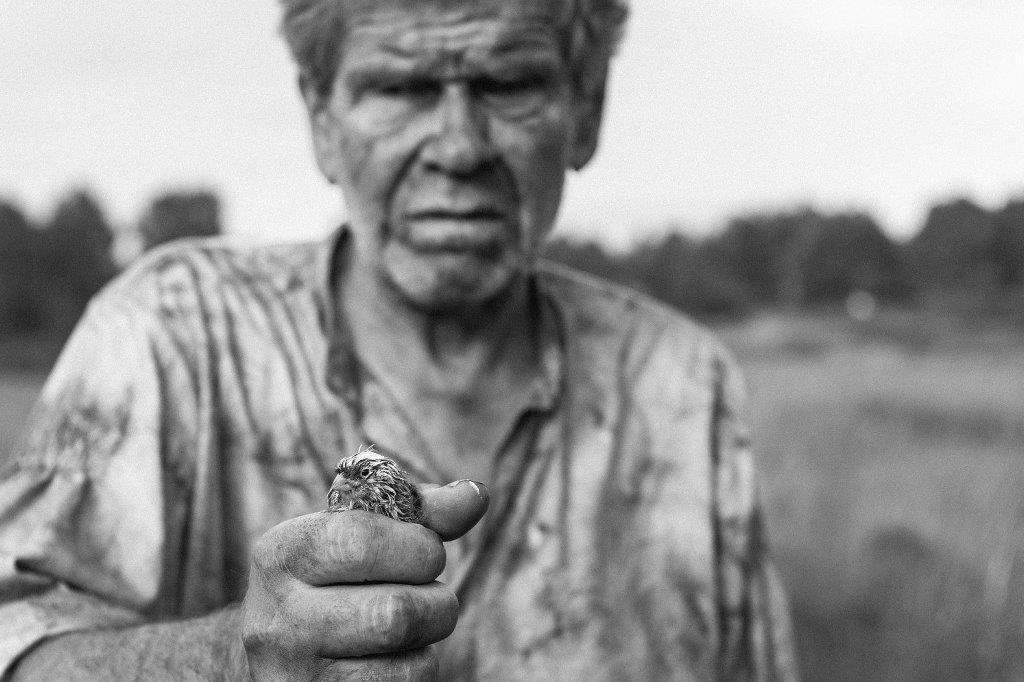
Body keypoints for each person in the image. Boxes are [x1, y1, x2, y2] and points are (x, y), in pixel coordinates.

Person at [0, 0, 797, 678]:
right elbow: (16, 642)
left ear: (586, 109)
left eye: (509, 82)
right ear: (322, 119)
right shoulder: (169, 332)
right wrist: (232, 659)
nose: (458, 147)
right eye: (401, 87)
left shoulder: (684, 388)